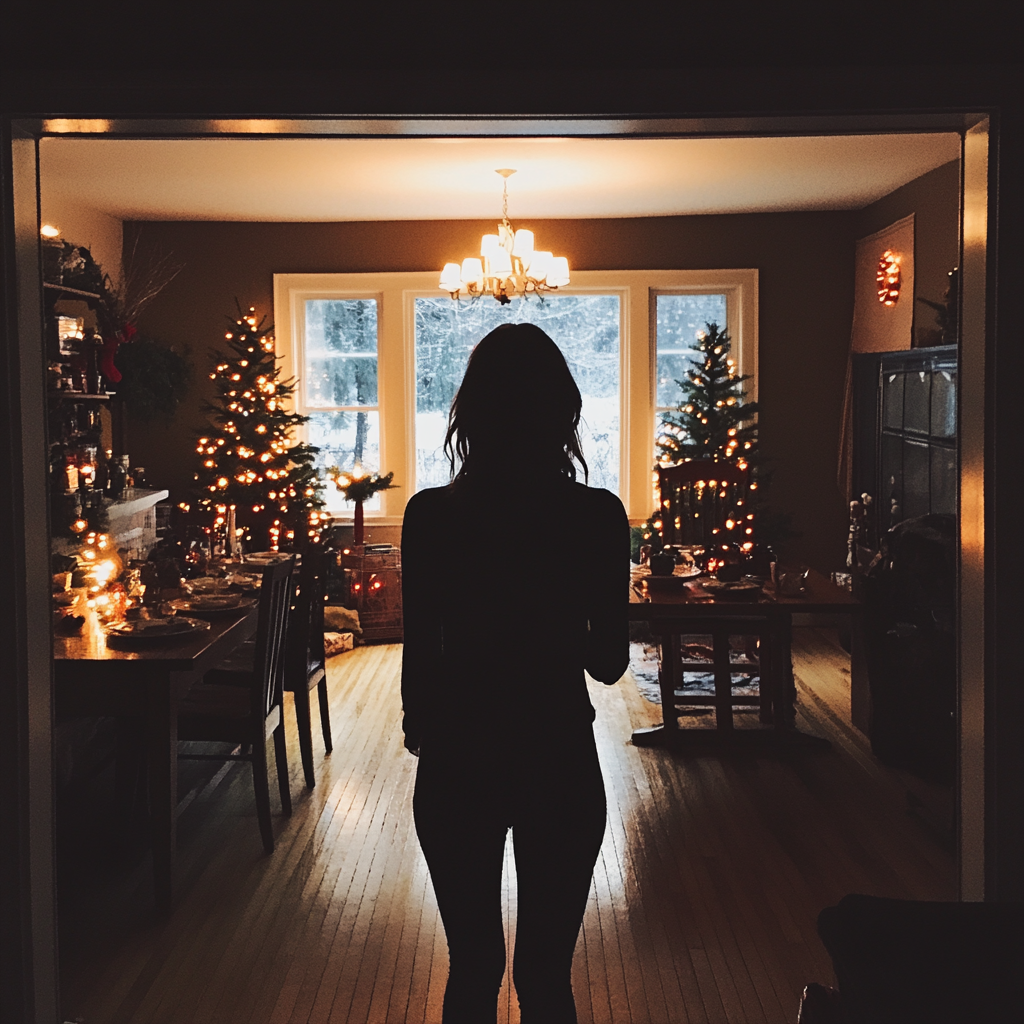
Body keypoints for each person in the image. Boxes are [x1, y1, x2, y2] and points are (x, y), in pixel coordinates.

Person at [401, 322, 629, 1024]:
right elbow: (610, 664)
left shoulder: (429, 516)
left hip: (456, 761)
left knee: (472, 967)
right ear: (562, 411)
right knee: (544, 976)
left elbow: (419, 659)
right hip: (557, 755)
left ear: (470, 412)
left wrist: (430, 729)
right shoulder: (597, 516)